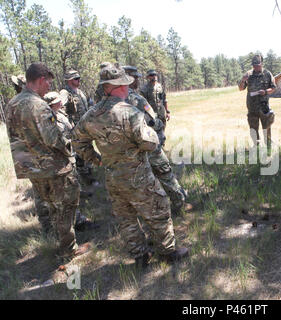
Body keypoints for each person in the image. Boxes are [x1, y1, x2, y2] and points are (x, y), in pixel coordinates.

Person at [72, 64, 188, 267]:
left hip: (113, 177)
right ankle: (168, 252)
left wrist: (96, 159)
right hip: (138, 176)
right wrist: (149, 132)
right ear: (119, 86)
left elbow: (77, 141)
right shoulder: (130, 112)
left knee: (126, 219)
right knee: (158, 211)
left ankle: (140, 256)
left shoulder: (91, 114)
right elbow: (150, 143)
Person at [5, 63, 89, 258]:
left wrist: (27, 165)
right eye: (49, 82)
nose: (50, 86)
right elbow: (53, 139)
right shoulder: (38, 105)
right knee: (65, 206)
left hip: (31, 168)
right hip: (52, 167)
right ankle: (68, 250)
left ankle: (57, 242)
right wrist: (70, 148)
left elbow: (15, 139)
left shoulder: (12, 104)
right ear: (41, 79)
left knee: (50, 206)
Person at [123, 65, 191, 215]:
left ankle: (143, 209)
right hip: (147, 142)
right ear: (129, 79)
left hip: (127, 150)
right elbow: (152, 121)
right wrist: (159, 131)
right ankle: (179, 200)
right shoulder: (136, 99)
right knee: (164, 170)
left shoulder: (112, 100)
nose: (138, 81)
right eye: (136, 78)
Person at [43, 91, 99, 231]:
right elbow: (57, 140)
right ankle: (77, 222)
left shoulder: (60, 114)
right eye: (58, 101)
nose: (61, 102)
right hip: (62, 160)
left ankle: (75, 219)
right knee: (67, 193)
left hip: (69, 155)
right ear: (52, 104)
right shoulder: (51, 118)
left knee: (72, 188)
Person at [238, 54, 276, 148]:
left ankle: (268, 146)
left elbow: (273, 88)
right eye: (254, 65)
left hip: (264, 107)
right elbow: (241, 88)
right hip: (252, 107)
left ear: (262, 64)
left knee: (266, 127)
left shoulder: (267, 74)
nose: (256, 67)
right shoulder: (248, 75)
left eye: (258, 65)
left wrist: (265, 91)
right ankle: (256, 146)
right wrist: (243, 80)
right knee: (253, 128)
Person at [140, 69, 170, 137]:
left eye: (155, 75)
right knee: (152, 132)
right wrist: (149, 112)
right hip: (151, 115)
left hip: (161, 113)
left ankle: (162, 145)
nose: (154, 76)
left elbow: (164, 100)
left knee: (162, 130)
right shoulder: (144, 89)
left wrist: (167, 112)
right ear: (148, 77)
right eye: (151, 75)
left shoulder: (160, 86)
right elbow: (143, 103)